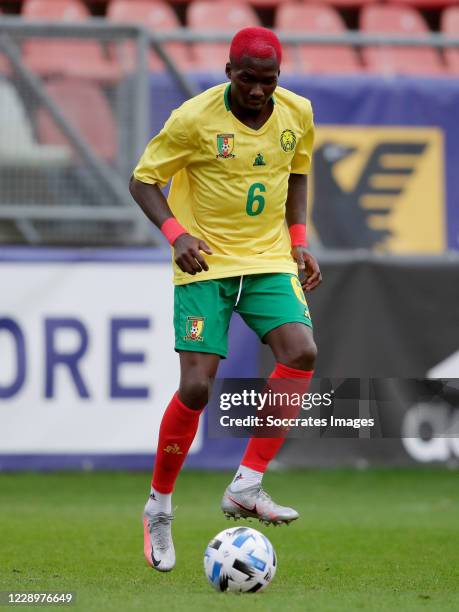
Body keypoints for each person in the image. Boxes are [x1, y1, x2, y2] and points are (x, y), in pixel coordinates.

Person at [129, 26, 322, 573]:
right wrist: (176, 234)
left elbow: (298, 171)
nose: (259, 91)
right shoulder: (193, 119)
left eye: (269, 81)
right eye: (248, 80)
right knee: (195, 386)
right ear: (228, 71)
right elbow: (143, 181)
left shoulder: (297, 112)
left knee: (301, 352)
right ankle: (159, 506)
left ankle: (247, 484)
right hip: (205, 263)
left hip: (266, 260)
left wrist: (300, 244)